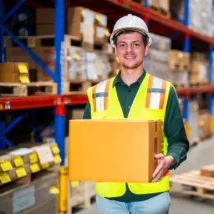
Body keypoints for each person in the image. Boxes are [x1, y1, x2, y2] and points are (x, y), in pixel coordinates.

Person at [83, 14, 189, 214]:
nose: (129, 51)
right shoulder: (96, 92)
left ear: (146, 48)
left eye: (136, 45)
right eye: (122, 45)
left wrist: (170, 159)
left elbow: (179, 143)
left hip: (151, 196)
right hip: (109, 198)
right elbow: (87, 142)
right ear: (115, 49)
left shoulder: (165, 90)